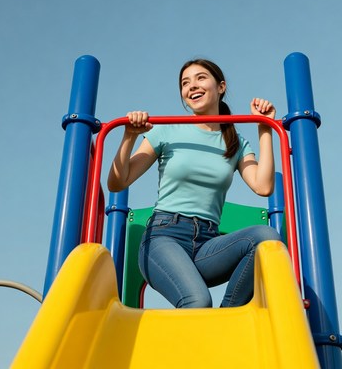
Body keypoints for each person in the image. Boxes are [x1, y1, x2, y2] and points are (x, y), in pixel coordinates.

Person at [108, 59, 281, 308]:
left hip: (207, 244)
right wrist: (129, 136)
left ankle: (228, 316)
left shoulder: (235, 142)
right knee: (197, 301)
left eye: (200, 78)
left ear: (220, 87)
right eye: (185, 83)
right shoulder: (166, 131)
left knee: (266, 236)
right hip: (163, 237)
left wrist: (264, 128)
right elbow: (117, 182)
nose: (192, 86)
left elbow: (263, 186)